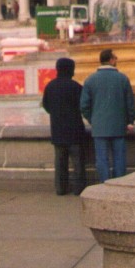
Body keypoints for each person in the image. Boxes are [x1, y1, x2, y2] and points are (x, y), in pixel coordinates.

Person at [80, 48, 135, 182]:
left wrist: (93, 119)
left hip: (99, 127)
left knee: (102, 159)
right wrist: (130, 121)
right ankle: (119, 184)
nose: (116, 60)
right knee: (119, 158)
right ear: (111, 60)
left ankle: (104, 185)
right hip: (119, 126)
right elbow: (130, 103)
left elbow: (84, 105)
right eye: (115, 58)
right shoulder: (123, 79)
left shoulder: (90, 80)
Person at [41, 57, 87, 195]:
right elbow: (83, 106)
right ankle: (79, 189)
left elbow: (46, 105)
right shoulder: (76, 86)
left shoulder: (50, 86)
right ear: (71, 70)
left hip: (58, 130)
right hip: (75, 130)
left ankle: (61, 189)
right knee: (78, 162)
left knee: (60, 163)